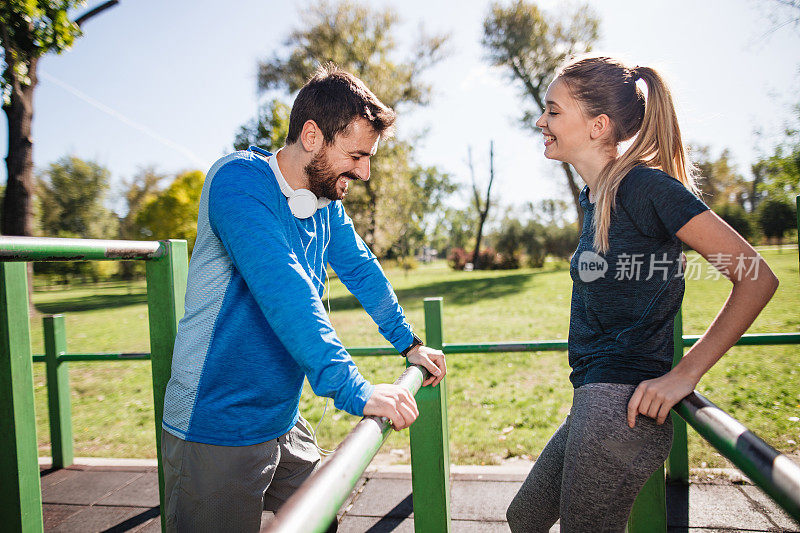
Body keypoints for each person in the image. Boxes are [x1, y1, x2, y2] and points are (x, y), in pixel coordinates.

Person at [160, 64, 447, 533]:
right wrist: (354, 387)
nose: (365, 171)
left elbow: (362, 270)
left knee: (322, 519)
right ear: (311, 135)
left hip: (280, 419)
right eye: (356, 155)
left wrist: (408, 342)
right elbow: (285, 289)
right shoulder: (239, 182)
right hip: (217, 421)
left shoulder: (324, 204)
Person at [506, 56, 779, 532]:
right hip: (592, 399)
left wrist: (685, 374)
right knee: (525, 518)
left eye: (553, 111)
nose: (540, 120)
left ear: (599, 125)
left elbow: (755, 276)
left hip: (622, 408)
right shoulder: (596, 196)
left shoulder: (646, 187)